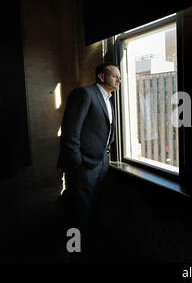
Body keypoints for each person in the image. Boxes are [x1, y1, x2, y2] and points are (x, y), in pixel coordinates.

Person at [57, 62, 121, 261]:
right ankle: (73, 252)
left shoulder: (108, 99)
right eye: (115, 76)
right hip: (84, 164)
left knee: (92, 207)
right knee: (77, 210)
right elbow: (71, 131)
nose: (119, 80)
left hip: (101, 161)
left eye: (119, 76)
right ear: (102, 77)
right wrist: (77, 162)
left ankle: (87, 249)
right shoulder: (84, 94)